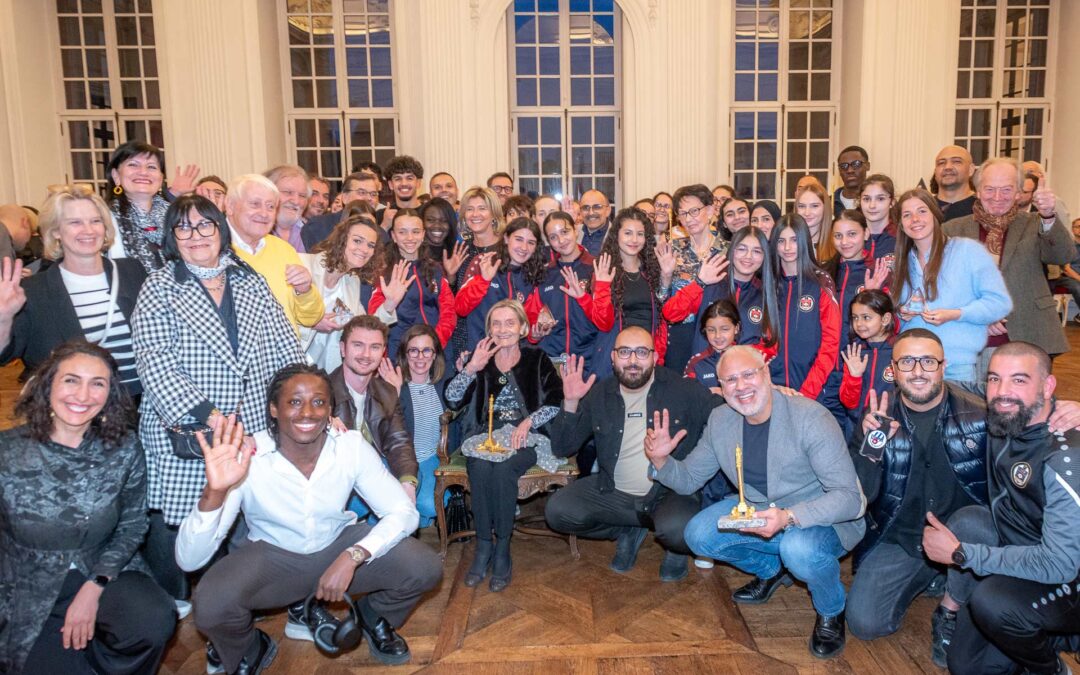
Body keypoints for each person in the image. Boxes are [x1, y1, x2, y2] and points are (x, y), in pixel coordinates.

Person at [178, 365, 442, 672]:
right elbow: (188, 561)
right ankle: (251, 646)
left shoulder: (349, 446)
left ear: (330, 409)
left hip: (335, 546)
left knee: (424, 566)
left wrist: (353, 555)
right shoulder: (248, 455)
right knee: (209, 604)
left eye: (318, 402)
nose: (307, 412)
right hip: (273, 558)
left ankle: (373, 616)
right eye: (294, 402)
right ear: (273, 409)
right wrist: (214, 491)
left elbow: (403, 512)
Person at [131, 194, 306, 604]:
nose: (195, 236)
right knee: (193, 531)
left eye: (205, 225)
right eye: (184, 227)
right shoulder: (159, 287)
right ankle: (192, 610)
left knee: (244, 526)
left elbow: (287, 347)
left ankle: (236, 608)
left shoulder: (248, 279)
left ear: (220, 229)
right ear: (173, 237)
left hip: (251, 429)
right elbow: (155, 363)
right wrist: (212, 418)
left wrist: (307, 400)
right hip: (191, 430)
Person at [650, 345, 866, 659]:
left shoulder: (810, 416)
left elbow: (850, 500)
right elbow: (689, 479)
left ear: (766, 373)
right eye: (730, 380)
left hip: (819, 516)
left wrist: (789, 516)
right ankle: (771, 569)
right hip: (759, 508)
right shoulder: (721, 420)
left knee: (799, 549)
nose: (741, 386)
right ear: (721, 389)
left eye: (748, 374)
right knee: (698, 534)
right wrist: (660, 461)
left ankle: (832, 610)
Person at [0, 341, 176, 674]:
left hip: (103, 566)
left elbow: (133, 524)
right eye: (71, 380)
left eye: (97, 384)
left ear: (110, 395)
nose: (83, 395)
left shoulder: (124, 448)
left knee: (151, 619)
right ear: (47, 384)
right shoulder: (7, 453)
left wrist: (95, 585)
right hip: (25, 581)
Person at [923, 343, 1080, 675]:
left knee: (990, 602)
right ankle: (1053, 636)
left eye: (1020, 380)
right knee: (965, 666)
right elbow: (943, 383)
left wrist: (963, 555)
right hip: (1026, 555)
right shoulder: (1006, 413)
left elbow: (1061, 564)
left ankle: (1052, 669)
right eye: (995, 379)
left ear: (1048, 386)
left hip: (1068, 577)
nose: (1003, 392)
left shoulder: (1064, 456)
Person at [844, 329, 991, 666]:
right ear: (892, 370)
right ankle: (934, 574)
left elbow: (1026, 404)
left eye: (928, 361)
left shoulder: (978, 413)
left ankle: (951, 608)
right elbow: (861, 496)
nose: (918, 371)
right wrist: (871, 449)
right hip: (902, 538)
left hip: (963, 535)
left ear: (943, 366)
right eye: (907, 362)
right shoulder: (877, 416)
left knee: (975, 523)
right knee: (865, 624)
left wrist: (1065, 408)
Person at [546, 328, 719, 581]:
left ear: (655, 357)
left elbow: (725, 417)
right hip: (613, 492)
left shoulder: (683, 389)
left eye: (642, 352)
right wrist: (570, 402)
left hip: (668, 494)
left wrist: (734, 392)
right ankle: (628, 528)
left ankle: (674, 548)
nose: (633, 361)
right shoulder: (600, 393)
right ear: (613, 357)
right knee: (557, 512)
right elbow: (562, 448)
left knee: (680, 532)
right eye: (625, 352)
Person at [446, 300, 563, 592]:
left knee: (503, 471)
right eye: (496, 324)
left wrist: (528, 423)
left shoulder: (537, 359)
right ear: (488, 330)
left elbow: (554, 401)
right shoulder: (480, 358)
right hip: (482, 437)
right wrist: (472, 368)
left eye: (510, 323)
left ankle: (502, 550)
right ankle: (484, 544)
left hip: (524, 437)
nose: (503, 329)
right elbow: (451, 399)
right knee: (480, 466)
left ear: (523, 328)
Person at [0, 185, 146, 395]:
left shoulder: (132, 272)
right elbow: (4, 355)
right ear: (56, 231)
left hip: (145, 411)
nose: (88, 230)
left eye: (95, 221)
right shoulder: (34, 291)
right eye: (75, 222)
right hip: (80, 415)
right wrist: (3, 316)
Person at [944, 157, 1074, 362]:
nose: (997, 197)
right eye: (989, 189)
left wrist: (1049, 215)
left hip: (1029, 332)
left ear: (1018, 193)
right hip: (970, 336)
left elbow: (1063, 256)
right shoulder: (952, 229)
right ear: (977, 190)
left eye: (1006, 189)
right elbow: (944, 284)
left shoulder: (1036, 223)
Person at [892, 188, 1012, 387]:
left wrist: (956, 313)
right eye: (907, 215)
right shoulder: (901, 262)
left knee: (961, 418)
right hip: (913, 366)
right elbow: (894, 316)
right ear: (901, 225)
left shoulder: (967, 250)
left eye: (922, 211)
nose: (915, 219)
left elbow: (999, 303)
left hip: (957, 365)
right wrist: (901, 315)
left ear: (935, 215)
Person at [329, 315, 421, 516]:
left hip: (373, 470)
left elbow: (399, 441)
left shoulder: (386, 392)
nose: (366, 354)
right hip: (335, 481)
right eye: (358, 345)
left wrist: (407, 482)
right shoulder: (321, 392)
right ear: (342, 348)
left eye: (375, 347)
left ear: (383, 352)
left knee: (412, 495)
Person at [224, 174, 324, 333]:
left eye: (271, 206)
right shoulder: (211, 251)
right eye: (255, 204)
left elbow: (310, 318)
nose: (264, 213)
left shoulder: (284, 250)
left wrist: (305, 290)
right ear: (230, 206)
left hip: (286, 355)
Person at [820, 211, 890, 432]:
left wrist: (873, 297)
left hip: (861, 369)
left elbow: (890, 322)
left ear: (866, 233)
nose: (845, 242)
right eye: (838, 236)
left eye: (852, 234)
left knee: (861, 436)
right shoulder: (824, 274)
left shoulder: (878, 272)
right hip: (828, 371)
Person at [663, 226, 779, 357]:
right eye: (742, 249)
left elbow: (771, 346)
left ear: (765, 256)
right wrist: (699, 283)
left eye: (757, 251)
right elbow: (670, 313)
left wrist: (743, 358)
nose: (748, 256)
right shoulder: (711, 283)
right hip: (703, 371)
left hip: (744, 373)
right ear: (732, 250)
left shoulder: (765, 293)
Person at [298, 215, 395, 371]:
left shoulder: (351, 281)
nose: (364, 249)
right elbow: (276, 318)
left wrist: (390, 304)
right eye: (357, 241)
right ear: (341, 240)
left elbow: (360, 328)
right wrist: (312, 323)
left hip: (321, 373)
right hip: (285, 363)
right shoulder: (303, 264)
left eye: (371, 245)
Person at [381, 324, 453, 527]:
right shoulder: (393, 382)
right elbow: (384, 431)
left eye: (426, 350)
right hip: (400, 458)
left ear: (434, 354)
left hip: (430, 457)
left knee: (429, 507)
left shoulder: (443, 384)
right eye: (413, 350)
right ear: (405, 354)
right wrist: (393, 394)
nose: (420, 357)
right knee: (397, 505)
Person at [591, 207, 676, 378]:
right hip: (617, 358)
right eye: (628, 233)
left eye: (640, 234)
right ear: (617, 235)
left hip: (648, 355)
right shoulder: (605, 269)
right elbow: (603, 323)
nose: (634, 239)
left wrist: (666, 277)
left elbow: (665, 312)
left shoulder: (652, 267)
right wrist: (602, 287)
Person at [769, 213, 841, 399]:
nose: (787, 247)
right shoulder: (768, 283)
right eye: (781, 241)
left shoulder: (821, 282)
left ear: (804, 241)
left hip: (813, 391)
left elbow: (830, 343)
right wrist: (767, 384)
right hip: (773, 389)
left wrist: (808, 391)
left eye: (794, 240)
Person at [369, 209, 457, 357]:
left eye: (415, 231)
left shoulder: (435, 268)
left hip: (435, 351)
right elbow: (374, 318)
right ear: (393, 236)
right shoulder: (383, 271)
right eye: (402, 232)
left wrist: (434, 343)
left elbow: (449, 312)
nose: (410, 238)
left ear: (423, 234)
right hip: (398, 353)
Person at [454, 217, 547, 354]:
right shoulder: (484, 262)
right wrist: (483, 281)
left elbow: (528, 325)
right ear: (506, 238)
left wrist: (535, 336)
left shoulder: (533, 276)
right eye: (519, 239)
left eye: (531, 242)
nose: (524, 247)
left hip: (514, 358)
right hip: (481, 356)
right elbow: (460, 308)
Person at [534, 210, 611, 371]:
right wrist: (537, 330)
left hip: (589, 360)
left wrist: (583, 297)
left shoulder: (597, 268)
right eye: (553, 237)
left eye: (565, 231)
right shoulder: (545, 273)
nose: (561, 240)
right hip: (551, 360)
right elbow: (533, 317)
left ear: (576, 230)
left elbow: (605, 322)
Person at [105, 140, 198, 273]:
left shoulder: (177, 216)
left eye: (151, 167)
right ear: (116, 176)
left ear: (161, 178)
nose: (143, 172)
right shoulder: (104, 219)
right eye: (133, 165)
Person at [666, 184, 729, 373]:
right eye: (683, 213)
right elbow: (662, 302)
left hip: (719, 335)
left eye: (694, 211)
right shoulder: (672, 249)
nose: (689, 219)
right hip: (680, 334)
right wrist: (665, 276)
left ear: (709, 210)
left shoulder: (729, 250)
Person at [838, 289, 896, 421]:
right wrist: (854, 377)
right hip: (855, 426)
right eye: (855, 317)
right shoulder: (853, 352)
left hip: (891, 425)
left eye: (866, 317)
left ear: (885, 319)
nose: (859, 324)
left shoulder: (899, 351)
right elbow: (848, 403)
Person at [301, 172, 387, 250]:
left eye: (373, 194)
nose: (369, 198)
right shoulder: (318, 227)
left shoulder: (382, 235)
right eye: (362, 192)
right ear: (345, 197)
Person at [684, 298, 742, 392]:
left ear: (736, 328)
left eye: (724, 329)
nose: (718, 336)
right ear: (705, 330)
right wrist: (707, 394)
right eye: (711, 330)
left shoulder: (748, 358)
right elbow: (688, 396)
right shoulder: (696, 363)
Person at [264, 164, 311, 252]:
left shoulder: (312, 232)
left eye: (302, 195)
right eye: (288, 192)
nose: (296, 201)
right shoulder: (255, 231)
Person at [419, 197, 466, 279]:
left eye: (444, 221)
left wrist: (451, 275)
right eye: (430, 220)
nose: (437, 226)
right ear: (421, 222)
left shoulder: (458, 254)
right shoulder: (414, 252)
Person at [859, 174, 898, 267]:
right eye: (866, 199)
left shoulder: (901, 238)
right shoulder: (852, 238)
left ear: (892, 202)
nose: (872, 205)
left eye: (880, 199)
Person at [932, 145, 977, 222]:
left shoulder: (984, 208)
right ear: (935, 172)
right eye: (941, 163)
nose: (947, 167)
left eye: (956, 161)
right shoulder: (924, 208)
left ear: (971, 170)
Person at [795, 182, 830, 256]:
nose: (807, 213)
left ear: (825, 208)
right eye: (802, 206)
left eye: (814, 206)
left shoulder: (837, 243)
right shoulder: (788, 245)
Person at [834, 146, 870, 216]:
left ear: (867, 166)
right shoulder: (829, 203)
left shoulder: (878, 203)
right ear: (839, 171)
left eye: (856, 164)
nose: (850, 170)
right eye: (844, 166)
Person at [578, 189, 611, 257]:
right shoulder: (573, 233)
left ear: (608, 210)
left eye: (597, 207)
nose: (591, 213)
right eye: (585, 207)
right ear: (580, 212)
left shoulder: (619, 235)